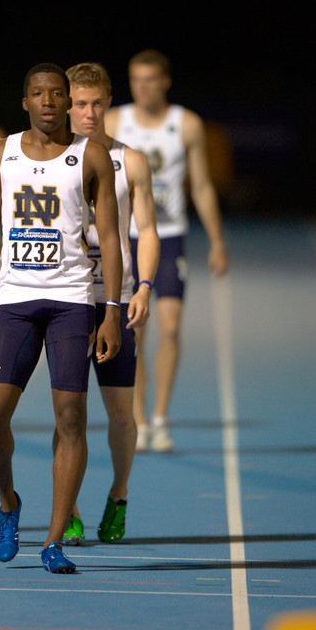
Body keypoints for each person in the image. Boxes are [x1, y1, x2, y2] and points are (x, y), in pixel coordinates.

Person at [0, 62, 125, 576]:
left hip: (72, 301)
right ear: (24, 101)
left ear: (69, 101)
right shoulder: (1, 154)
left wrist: (111, 312)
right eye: (38, 93)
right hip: (13, 301)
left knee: (71, 418)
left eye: (57, 93)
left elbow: (112, 239)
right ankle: (8, 503)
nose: (49, 101)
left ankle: (53, 542)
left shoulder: (90, 157)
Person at [105, 50, 229, 451]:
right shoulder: (114, 121)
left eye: (150, 79)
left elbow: (203, 185)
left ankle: (160, 417)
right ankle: (139, 418)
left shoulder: (186, 124)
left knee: (171, 327)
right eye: (135, 79)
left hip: (170, 233)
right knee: (135, 330)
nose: (142, 87)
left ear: (165, 81)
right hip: (129, 236)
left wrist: (216, 241)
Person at [59, 62, 160, 545]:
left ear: (109, 104)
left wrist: (142, 287)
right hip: (67, 301)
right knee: (69, 412)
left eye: (98, 103)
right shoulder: (47, 157)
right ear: (65, 103)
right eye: (79, 103)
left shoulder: (131, 161)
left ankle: (118, 495)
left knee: (121, 414)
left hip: (115, 302)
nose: (89, 112)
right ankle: (70, 509)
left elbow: (148, 233)